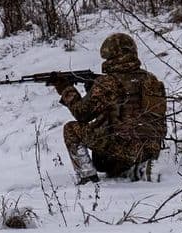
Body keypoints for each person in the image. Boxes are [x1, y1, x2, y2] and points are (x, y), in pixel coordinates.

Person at [54, 32, 167, 185]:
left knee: (71, 129)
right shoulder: (151, 79)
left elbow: (81, 114)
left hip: (122, 151)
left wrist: (66, 90)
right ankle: (135, 168)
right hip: (150, 149)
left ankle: (87, 177)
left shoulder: (107, 82)